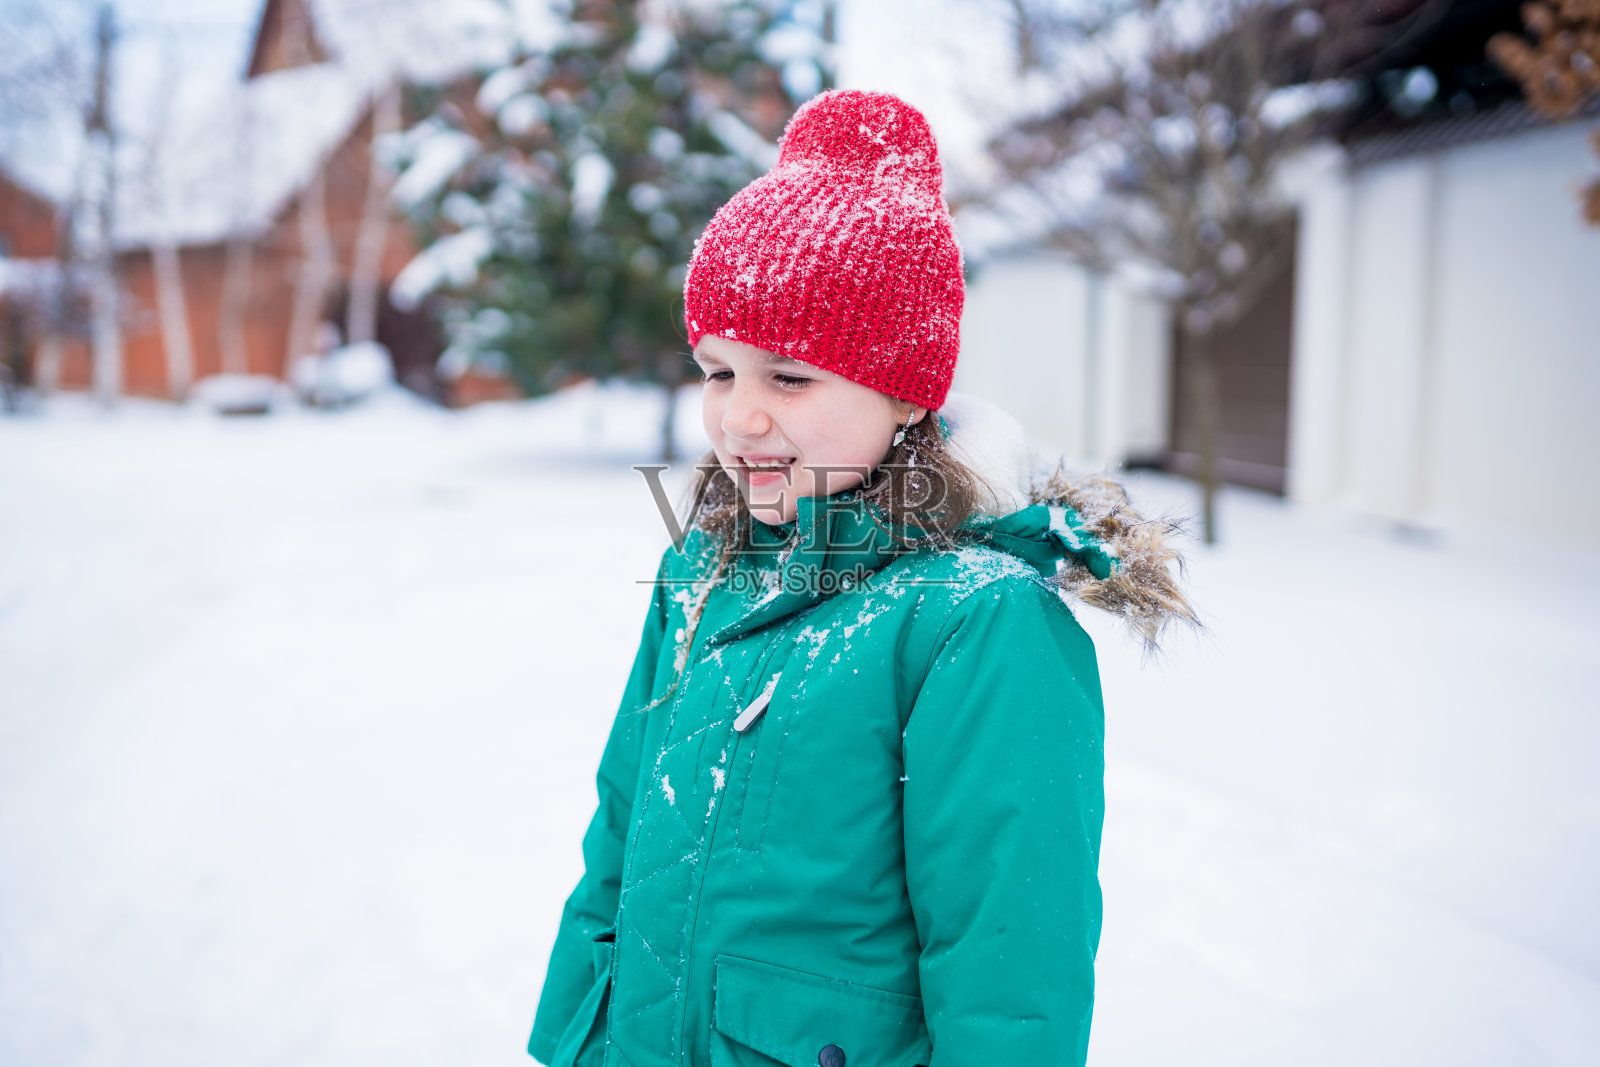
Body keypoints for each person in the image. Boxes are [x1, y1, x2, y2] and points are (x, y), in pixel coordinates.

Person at [527, 89, 1196, 1067]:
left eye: (787, 376)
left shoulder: (977, 622)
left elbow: (1008, 966)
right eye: (718, 371)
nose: (738, 418)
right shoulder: (702, 566)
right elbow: (621, 835)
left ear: (901, 393)